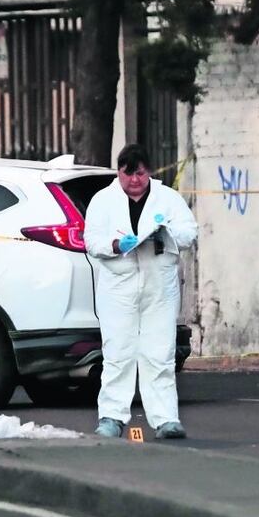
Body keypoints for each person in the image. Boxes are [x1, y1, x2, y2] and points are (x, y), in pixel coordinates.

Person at [84, 144, 198, 439]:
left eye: (140, 173)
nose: (135, 180)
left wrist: (166, 234)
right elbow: (91, 240)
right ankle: (111, 417)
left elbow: (189, 232)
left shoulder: (167, 198)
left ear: (149, 172)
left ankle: (165, 419)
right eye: (128, 174)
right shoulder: (103, 200)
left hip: (159, 286)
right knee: (118, 352)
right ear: (119, 172)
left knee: (159, 353)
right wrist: (114, 245)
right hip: (118, 287)